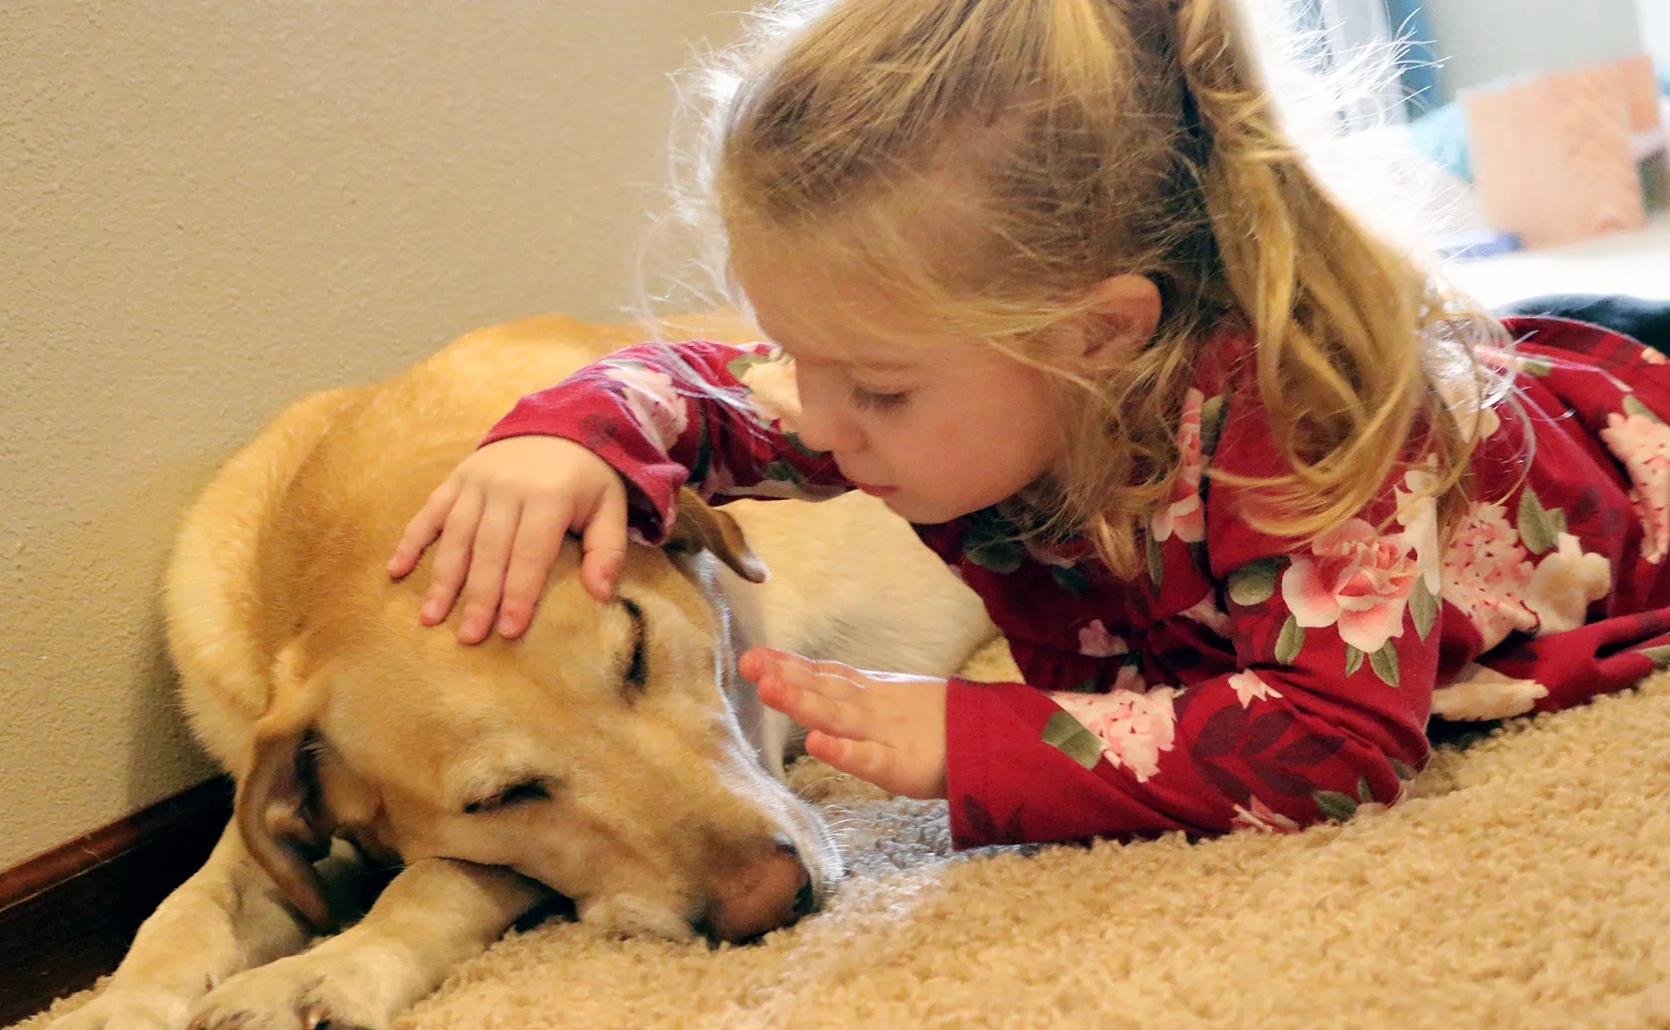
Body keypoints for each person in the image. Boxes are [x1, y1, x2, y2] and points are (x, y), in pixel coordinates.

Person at [387, 0, 1670, 847]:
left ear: (1097, 337)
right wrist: (566, 434)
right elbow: (711, 398)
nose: (821, 425)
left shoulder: (1302, 432)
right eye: (799, 356)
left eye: (878, 390)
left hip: (1622, 439)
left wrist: (972, 737)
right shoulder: (960, 380)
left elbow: (1334, 744)